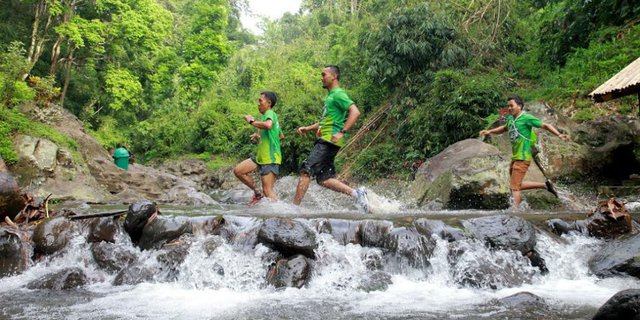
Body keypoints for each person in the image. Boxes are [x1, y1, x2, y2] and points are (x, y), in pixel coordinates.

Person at [293, 65, 369, 213]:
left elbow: (355, 112)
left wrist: (342, 131)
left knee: (306, 170)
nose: (321, 78)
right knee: (323, 179)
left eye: (324, 75)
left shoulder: (338, 94)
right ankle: (357, 194)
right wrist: (308, 128)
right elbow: (325, 121)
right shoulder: (329, 96)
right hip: (328, 139)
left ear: (334, 76)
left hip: (328, 140)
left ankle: (293, 209)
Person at [479, 95, 570, 208]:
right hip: (516, 157)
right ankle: (545, 185)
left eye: (511, 105)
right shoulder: (511, 119)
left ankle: (515, 211)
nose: (509, 108)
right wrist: (489, 132)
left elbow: (545, 125)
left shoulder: (526, 118)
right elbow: (504, 128)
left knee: (514, 187)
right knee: (515, 184)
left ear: (520, 106)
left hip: (523, 157)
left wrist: (559, 134)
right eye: (508, 106)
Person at [233, 91, 283, 205]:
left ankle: (281, 215)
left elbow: (268, 125)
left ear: (269, 103)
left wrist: (251, 121)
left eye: (260, 101)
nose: (258, 103)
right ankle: (257, 193)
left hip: (270, 158)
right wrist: (259, 136)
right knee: (239, 171)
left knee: (268, 191)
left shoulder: (270, 113)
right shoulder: (266, 117)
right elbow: (280, 135)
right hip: (261, 157)